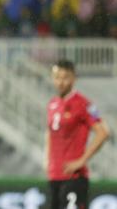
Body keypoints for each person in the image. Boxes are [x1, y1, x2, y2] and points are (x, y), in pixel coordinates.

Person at [46, 60, 109, 209]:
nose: (61, 82)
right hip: (54, 175)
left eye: (65, 77)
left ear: (74, 78)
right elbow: (51, 133)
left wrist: (82, 160)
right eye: (57, 77)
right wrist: (47, 160)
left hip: (74, 177)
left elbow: (103, 132)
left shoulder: (83, 104)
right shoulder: (52, 104)